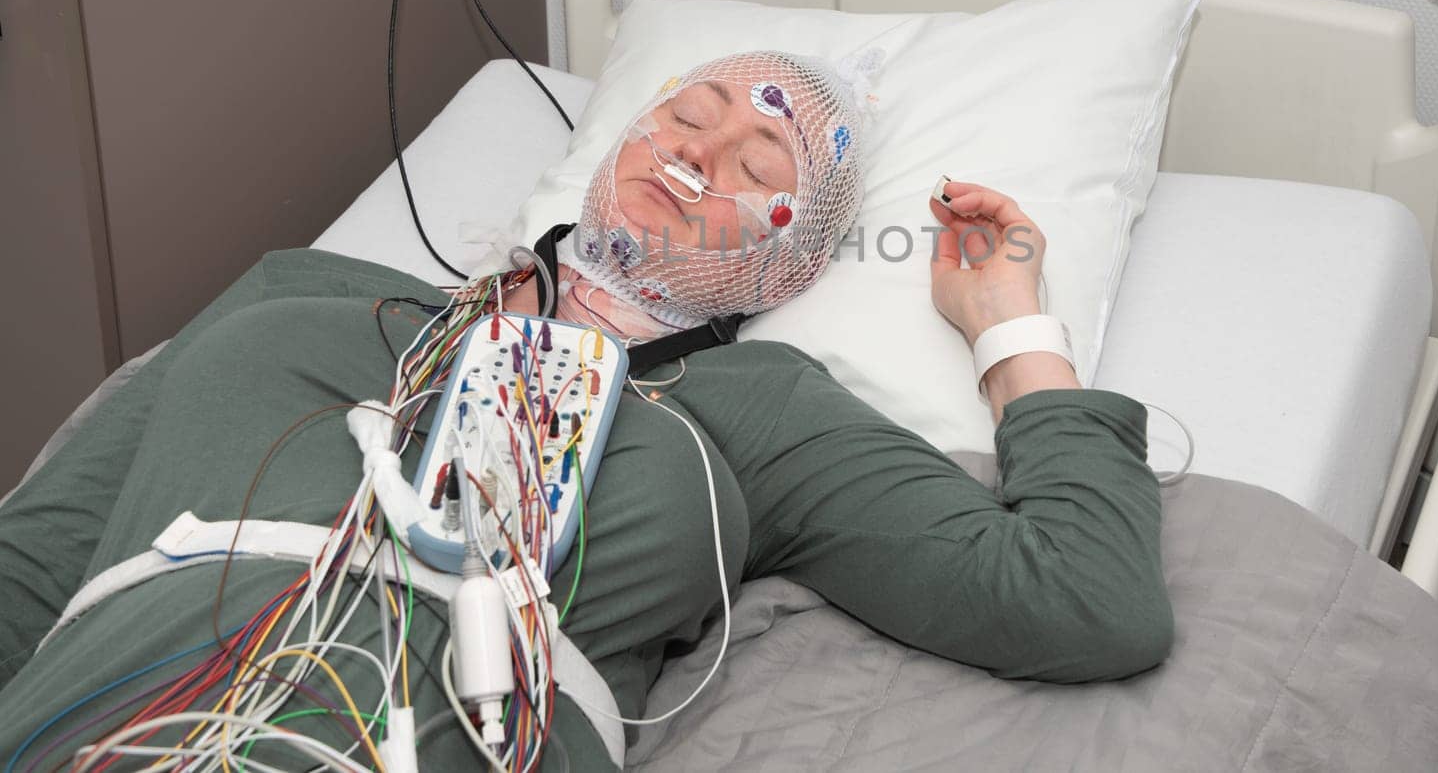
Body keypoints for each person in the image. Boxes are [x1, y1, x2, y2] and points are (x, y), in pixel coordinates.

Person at [0, 51, 1172, 771]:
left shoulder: (749, 414)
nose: (701, 150)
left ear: (790, 269)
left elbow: (1081, 596)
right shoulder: (303, 294)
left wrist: (1010, 324)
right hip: (102, 720)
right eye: (686, 114)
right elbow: (30, 573)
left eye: (762, 169)